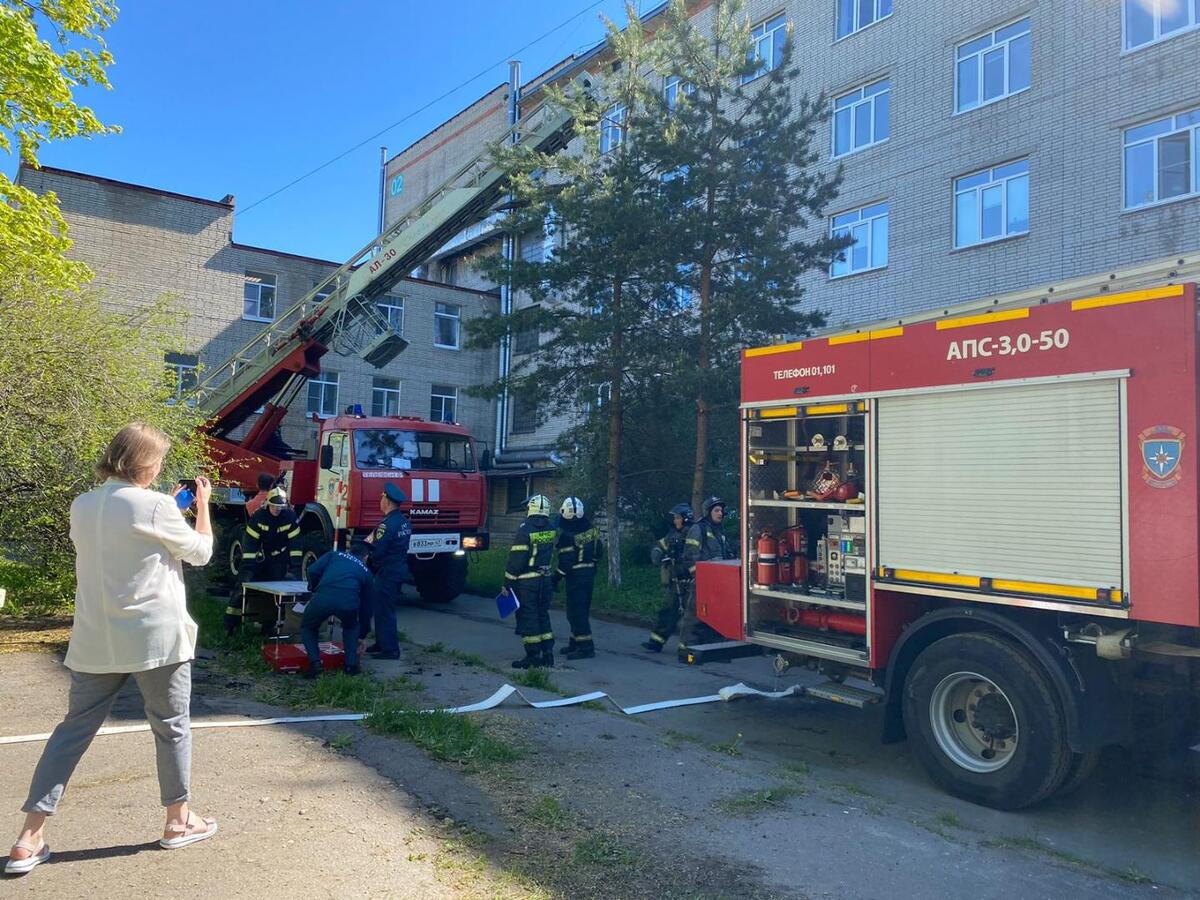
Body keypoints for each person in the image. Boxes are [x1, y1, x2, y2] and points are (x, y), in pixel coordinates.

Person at [6, 423, 217, 876]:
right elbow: (199, 552)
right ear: (145, 463)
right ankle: (178, 822)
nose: (160, 468)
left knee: (72, 732)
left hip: (96, 638)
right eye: (157, 460)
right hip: (156, 638)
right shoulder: (158, 505)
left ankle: (30, 836)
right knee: (171, 727)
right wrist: (202, 508)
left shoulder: (81, 505)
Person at [225, 487, 301, 634]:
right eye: (274, 506)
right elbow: (250, 543)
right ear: (268, 504)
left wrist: (296, 568)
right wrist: (248, 565)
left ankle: (268, 626)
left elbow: (295, 545)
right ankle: (230, 625)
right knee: (243, 586)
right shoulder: (259, 517)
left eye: (280, 507)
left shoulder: (290, 518)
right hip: (257, 558)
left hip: (279, 559)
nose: (277, 510)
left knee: (274, 593)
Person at [300, 539, 371, 678]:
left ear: (350, 550)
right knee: (350, 627)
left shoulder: (334, 555)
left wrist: (313, 587)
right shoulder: (366, 571)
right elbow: (367, 608)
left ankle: (315, 664)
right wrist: (362, 634)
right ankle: (351, 666)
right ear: (366, 557)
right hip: (348, 602)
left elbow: (312, 569)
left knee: (308, 627)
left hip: (323, 597)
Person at [504, 494, 557, 669]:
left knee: (528, 617)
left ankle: (532, 656)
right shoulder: (551, 528)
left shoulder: (525, 529)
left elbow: (516, 560)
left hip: (527, 583)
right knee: (543, 615)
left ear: (531, 509)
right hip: (546, 580)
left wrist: (507, 582)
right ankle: (548, 655)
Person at [678, 496, 735, 653]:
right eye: (716, 510)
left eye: (722, 511)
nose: (720, 513)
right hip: (703, 579)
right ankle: (685, 646)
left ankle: (714, 646)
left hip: (719, 580)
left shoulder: (719, 531)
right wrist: (700, 577)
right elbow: (690, 555)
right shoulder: (698, 529)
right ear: (708, 512)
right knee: (694, 613)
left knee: (717, 613)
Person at [363, 481, 411, 660]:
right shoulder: (403, 522)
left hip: (387, 571)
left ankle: (390, 649)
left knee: (384, 609)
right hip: (397, 569)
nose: (380, 500)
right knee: (382, 607)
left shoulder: (386, 525)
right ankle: (382, 643)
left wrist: (369, 561)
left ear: (388, 501)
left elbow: (378, 550)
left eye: (382, 497)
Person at [554, 497, 602, 660]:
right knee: (581, 609)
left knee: (576, 613)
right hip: (589, 575)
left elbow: (566, 561)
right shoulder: (592, 530)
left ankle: (586, 648)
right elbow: (598, 552)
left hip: (575, 577)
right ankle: (574, 643)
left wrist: (556, 577)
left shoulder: (567, 535)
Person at [642, 502, 694, 653]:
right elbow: (660, 545)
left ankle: (688, 647)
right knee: (667, 610)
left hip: (690, 582)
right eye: (675, 518)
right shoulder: (672, 535)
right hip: (675, 582)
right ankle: (656, 641)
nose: (675, 521)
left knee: (690, 616)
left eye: (678, 518)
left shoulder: (693, 533)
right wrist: (657, 553)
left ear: (685, 518)